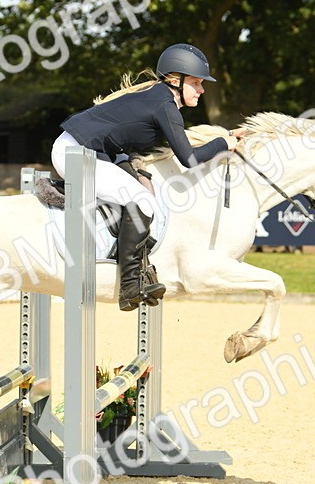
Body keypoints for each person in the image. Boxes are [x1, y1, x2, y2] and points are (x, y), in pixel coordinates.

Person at [52, 43, 248, 310]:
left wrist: (223, 140)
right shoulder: (164, 105)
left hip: (94, 152)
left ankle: (140, 268)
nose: (202, 90)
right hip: (75, 154)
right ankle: (130, 284)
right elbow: (189, 160)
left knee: (143, 185)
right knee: (142, 201)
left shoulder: (159, 97)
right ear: (174, 80)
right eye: (196, 83)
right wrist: (224, 143)